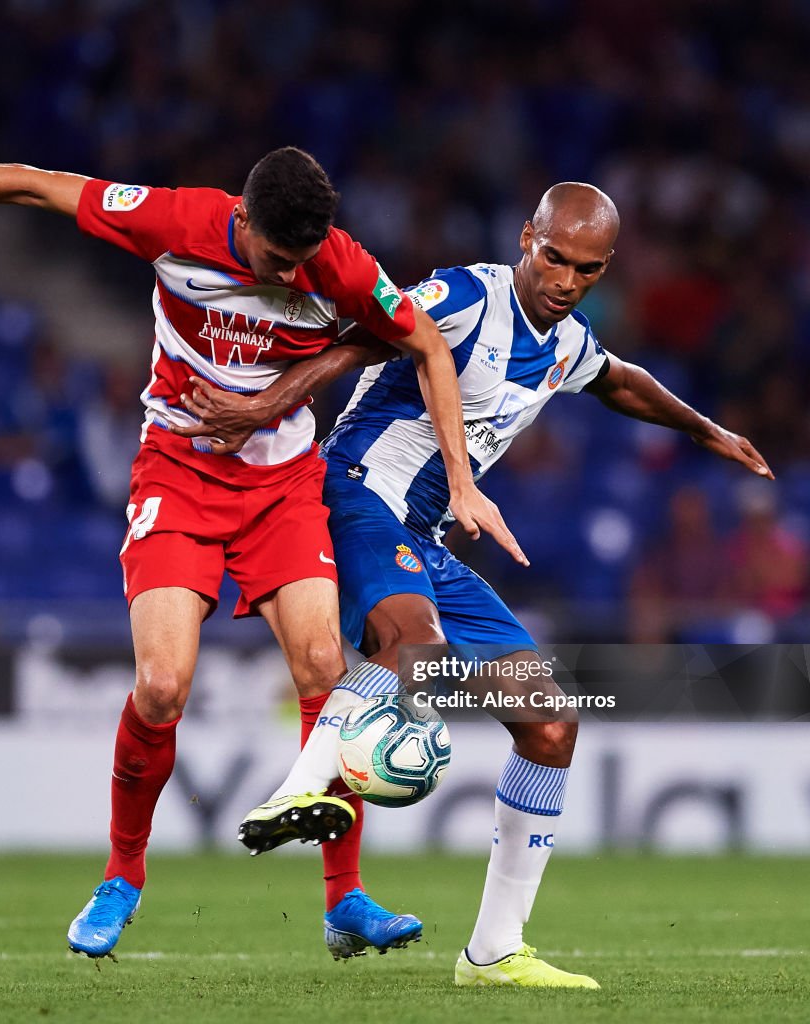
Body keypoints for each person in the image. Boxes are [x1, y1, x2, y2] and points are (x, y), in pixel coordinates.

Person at [0, 139, 527, 961]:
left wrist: (463, 483)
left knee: (327, 666)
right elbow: (41, 185)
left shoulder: (338, 264)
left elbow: (426, 344)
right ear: (243, 219)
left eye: (301, 262)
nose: (288, 276)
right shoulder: (178, 219)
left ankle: (345, 898)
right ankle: (122, 876)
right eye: (273, 257)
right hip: (179, 478)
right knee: (160, 686)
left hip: (284, 487)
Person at [172, 182, 774, 986]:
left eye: (586, 270)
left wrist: (709, 430)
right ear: (527, 236)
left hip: (423, 539)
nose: (564, 279)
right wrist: (271, 403)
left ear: (605, 269)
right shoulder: (462, 294)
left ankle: (492, 952)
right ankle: (297, 789)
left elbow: (620, 380)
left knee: (552, 723)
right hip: (355, 493)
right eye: (553, 256)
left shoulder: (568, 343)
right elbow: (358, 339)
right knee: (413, 648)